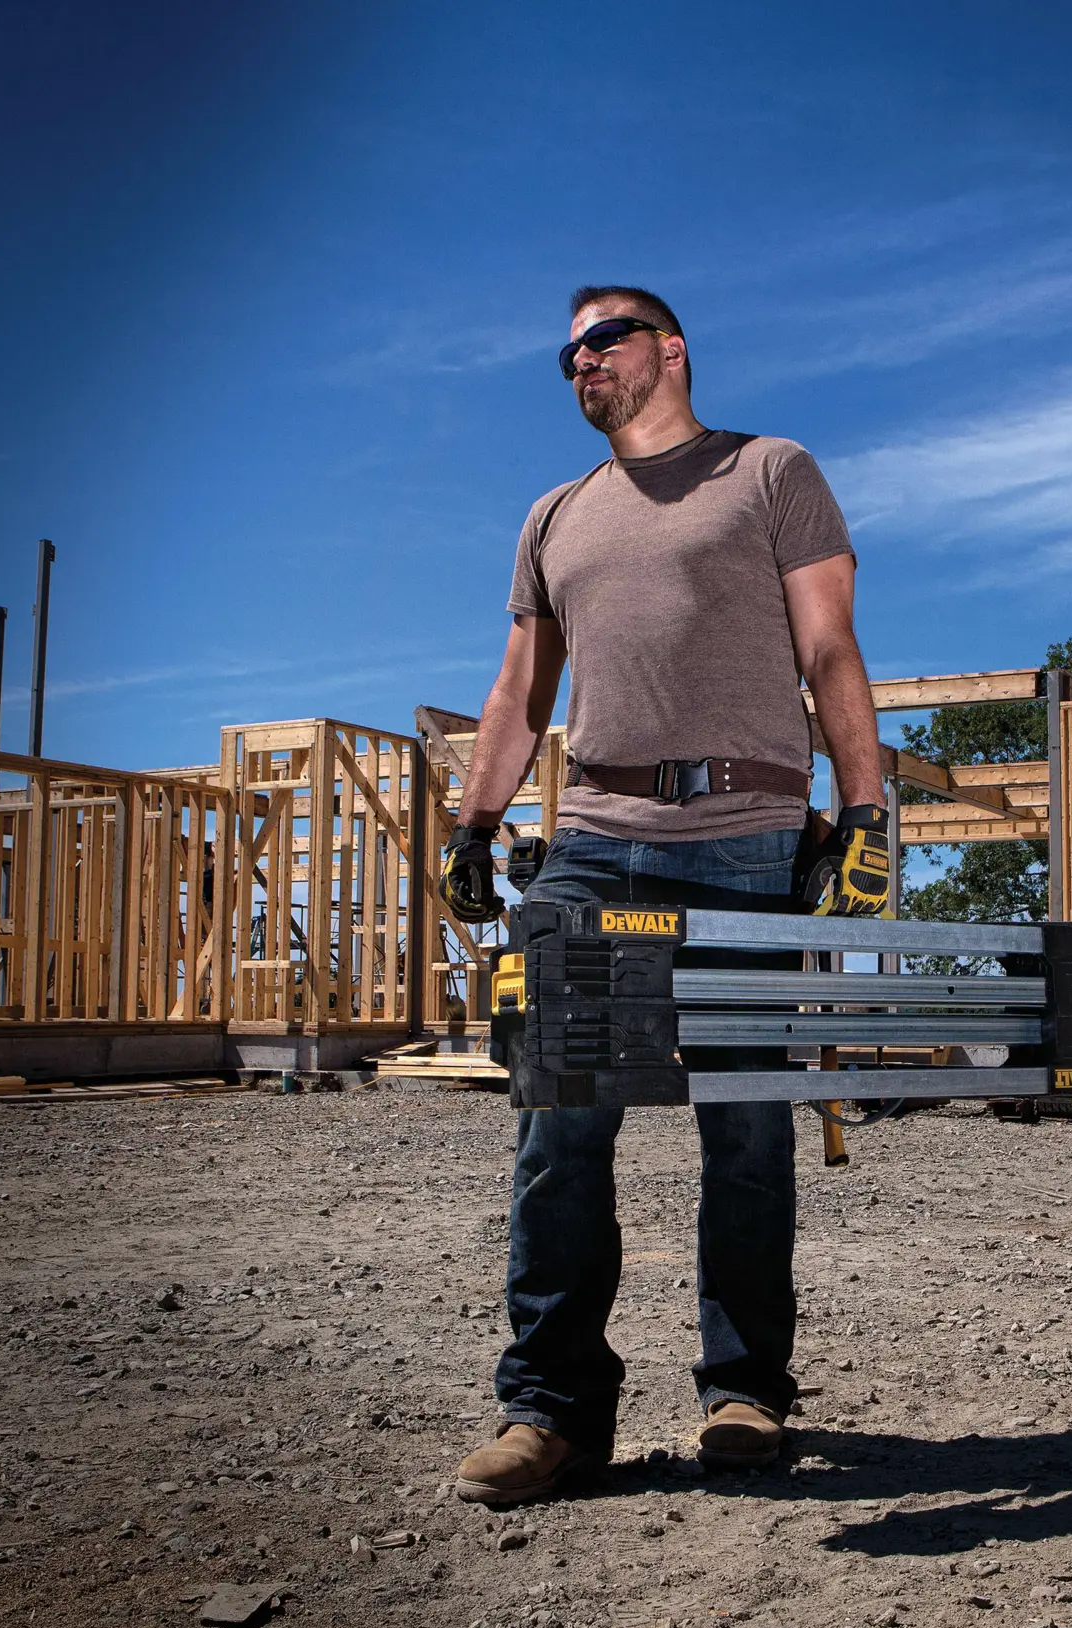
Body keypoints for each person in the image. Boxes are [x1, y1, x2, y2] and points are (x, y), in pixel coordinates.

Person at [441, 285, 889, 1507]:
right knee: (558, 1127)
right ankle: (552, 1413)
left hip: (743, 839)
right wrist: (473, 821)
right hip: (589, 837)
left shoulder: (769, 471)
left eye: (606, 340)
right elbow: (519, 689)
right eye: (567, 353)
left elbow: (831, 648)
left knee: (744, 1127)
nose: (582, 361)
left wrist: (864, 814)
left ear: (671, 348)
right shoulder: (554, 515)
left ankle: (743, 1391)